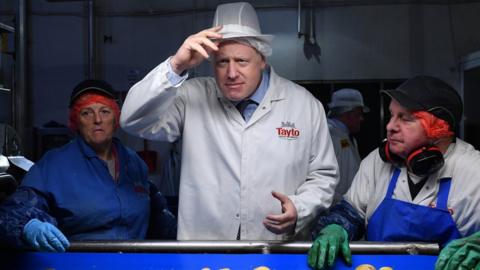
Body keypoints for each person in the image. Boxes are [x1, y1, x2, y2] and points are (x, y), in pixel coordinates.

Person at [120, 2, 338, 240]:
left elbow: (323, 175)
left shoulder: (304, 106)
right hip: (204, 250)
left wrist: (301, 208)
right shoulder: (191, 96)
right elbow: (132, 119)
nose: (231, 73)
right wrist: (176, 66)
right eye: (222, 62)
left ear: (262, 59)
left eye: (241, 61)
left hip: (275, 250)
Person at [308, 75, 480, 270]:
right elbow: (350, 213)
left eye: (405, 119)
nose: (390, 127)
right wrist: (337, 227)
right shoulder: (376, 162)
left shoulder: (473, 171)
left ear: (439, 128)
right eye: (392, 115)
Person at [0, 79, 177, 252]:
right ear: (76, 122)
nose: (97, 119)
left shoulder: (133, 162)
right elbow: (13, 212)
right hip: (79, 263)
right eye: (87, 113)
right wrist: (28, 226)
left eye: (105, 111)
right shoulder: (54, 164)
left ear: (116, 120)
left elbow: (160, 218)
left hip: (135, 263)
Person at [326, 88, 368, 202]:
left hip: (347, 207)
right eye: (359, 114)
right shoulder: (328, 136)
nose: (361, 119)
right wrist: (341, 203)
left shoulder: (347, 137)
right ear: (348, 114)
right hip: (333, 211)